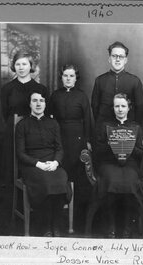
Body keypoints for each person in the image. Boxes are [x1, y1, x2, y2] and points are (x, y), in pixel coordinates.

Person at [15, 91, 69, 237]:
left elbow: (59, 148)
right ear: (30, 104)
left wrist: (56, 162)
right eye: (35, 100)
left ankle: (55, 225)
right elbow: (20, 153)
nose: (38, 104)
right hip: (32, 166)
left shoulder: (53, 123)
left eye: (42, 100)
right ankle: (46, 227)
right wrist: (38, 164)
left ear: (45, 103)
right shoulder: (22, 125)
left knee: (61, 177)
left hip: (51, 163)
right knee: (46, 182)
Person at [49, 64, 92, 233]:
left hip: (77, 138)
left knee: (77, 176)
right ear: (61, 78)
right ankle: (58, 216)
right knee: (60, 175)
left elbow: (88, 120)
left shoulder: (82, 96)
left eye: (71, 76)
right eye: (65, 75)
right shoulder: (55, 96)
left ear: (76, 78)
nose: (68, 78)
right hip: (59, 138)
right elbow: (50, 119)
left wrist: (87, 141)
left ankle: (78, 219)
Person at [94, 93, 143, 238]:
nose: (120, 109)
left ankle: (128, 227)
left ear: (129, 108)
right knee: (111, 180)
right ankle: (111, 227)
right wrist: (111, 144)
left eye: (123, 106)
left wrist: (129, 145)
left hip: (130, 164)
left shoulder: (136, 127)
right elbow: (97, 152)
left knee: (129, 181)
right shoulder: (105, 126)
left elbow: (141, 153)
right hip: (109, 163)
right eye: (117, 106)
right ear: (113, 108)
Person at [0, 50, 49, 190]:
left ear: (31, 66)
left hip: (35, 132)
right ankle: (13, 201)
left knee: (33, 163)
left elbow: (46, 113)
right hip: (13, 131)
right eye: (18, 64)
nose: (21, 67)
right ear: (14, 66)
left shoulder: (40, 89)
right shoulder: (7, 89)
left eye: (24, 64)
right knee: (12, 166)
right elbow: (4, 113)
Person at [91, 41, 143, 133]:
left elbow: (140, 108)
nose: (117, 59)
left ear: (126, 60)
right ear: (109, 59)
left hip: (128, 131)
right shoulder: (100, 80)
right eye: (114, 56)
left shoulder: (135, 81)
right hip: (104, 130)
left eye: (121, 56)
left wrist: (134, 128)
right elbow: (95, 106)